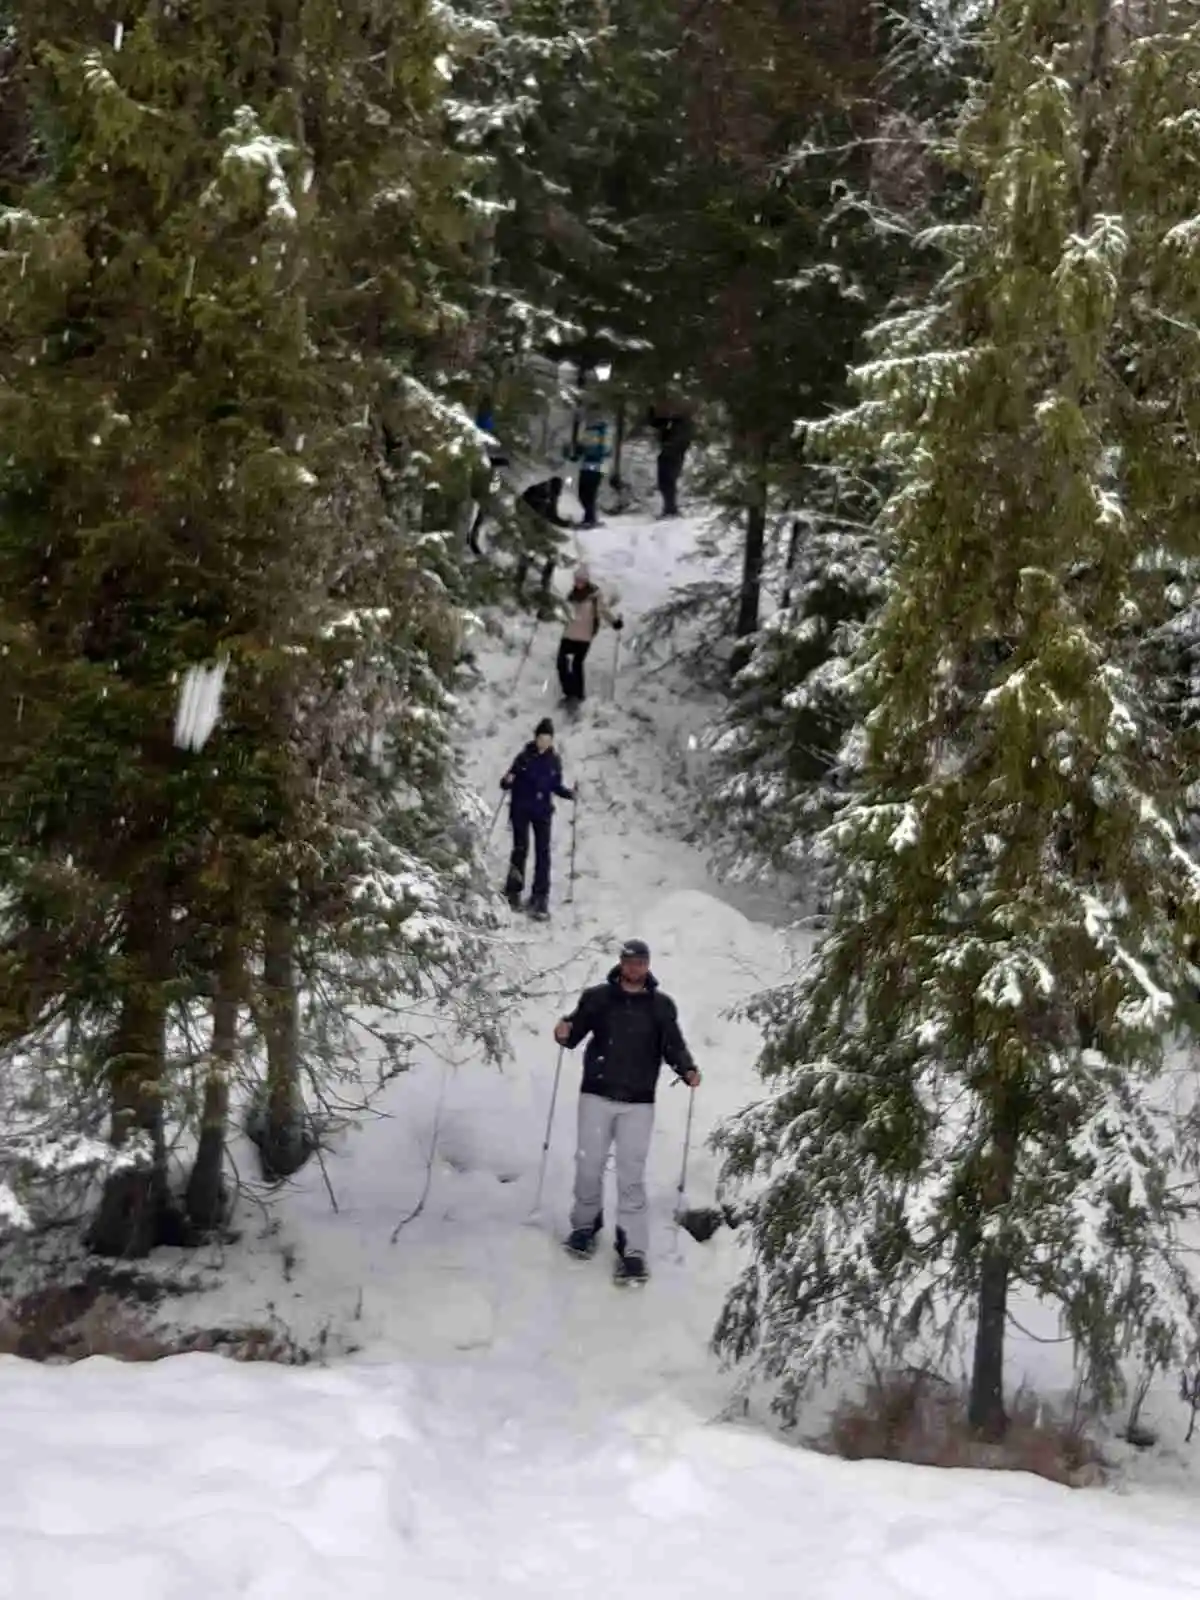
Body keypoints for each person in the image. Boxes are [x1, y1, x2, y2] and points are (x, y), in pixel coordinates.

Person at [554, 938, 701, 1282]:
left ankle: (632, 1248)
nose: (635, 968)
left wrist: (688, 1069)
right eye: (630, 961)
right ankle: (585, 1227)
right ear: (621, 963)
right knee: (589, 1165)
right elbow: (573, 1033)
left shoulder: (661, 1006)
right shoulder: (598, 998)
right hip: (596, 1095)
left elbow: (673, 1046)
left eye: (641, 962)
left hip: (638, 1102)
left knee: (630, 1176)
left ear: (648, 966)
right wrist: (563, 1031)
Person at [500, 718, 575, 918]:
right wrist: (507, 781)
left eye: (548, 739)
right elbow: (507, 780)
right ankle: (513, 891)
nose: (544, 742)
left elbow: (555, 786)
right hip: (521, 809)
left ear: (551, 741)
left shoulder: (554, 761)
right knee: (520, 849)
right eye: (541, 738)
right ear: (536, 738)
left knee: (543, 853)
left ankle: (540, 897)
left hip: (542, 812)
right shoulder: (524, 757)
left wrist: (569, 794)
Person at [557, 565, 622, 705]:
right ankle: (569, 693)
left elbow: (604, 611)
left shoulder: (594, 596)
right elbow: (562, 613)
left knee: (576, 664)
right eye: (576, 580)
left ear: (586, 581)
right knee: (561, 664)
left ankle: (578, 695)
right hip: (568, 634)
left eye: (581, 580)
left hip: (584, 636)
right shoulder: (571, 595)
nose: (578, 583)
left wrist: (615, 622)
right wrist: (546, 614)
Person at [514, 476, 572, 606]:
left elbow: (544, 525)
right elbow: (529, 535)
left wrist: (559, 536)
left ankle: (544, 587)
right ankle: (519, 587)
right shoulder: (524, 512)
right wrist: (547, 546)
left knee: (551, 555)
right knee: (527, 555)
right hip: (523, 541)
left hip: (533, 539)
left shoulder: (538, 509)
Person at [646, 404, 693, 519]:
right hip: (668, 454)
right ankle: (669, 508)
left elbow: (682, 441)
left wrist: (668, 447)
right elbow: (657, 424)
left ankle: (671, 509)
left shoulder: (682, 423)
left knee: (668, 482)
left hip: (673, 455)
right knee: (664, 483)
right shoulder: (672, 421)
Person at [573, 408, 610, 530]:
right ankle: (590, 517)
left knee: (588, 493)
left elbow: (601, 451)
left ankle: (590, 519)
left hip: (595, 467)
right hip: (587, 466)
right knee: (584, 493)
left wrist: (583, 449)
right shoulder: (589, 431)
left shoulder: (601, 431)